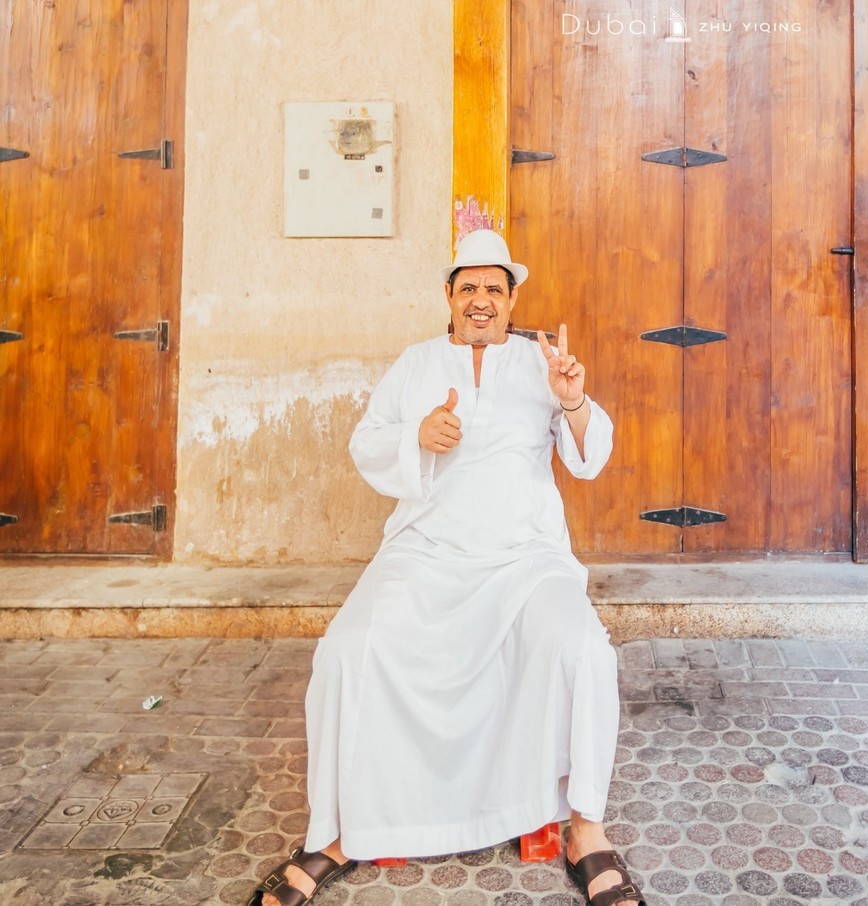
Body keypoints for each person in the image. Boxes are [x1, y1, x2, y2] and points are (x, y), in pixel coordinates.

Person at [249, 230, 645, 906]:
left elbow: (589, 459)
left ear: (513, 298)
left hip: (526, 558)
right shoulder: (416, 362)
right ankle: (337, 832)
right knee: (348, 650)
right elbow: (368, 444)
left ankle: (586, 829)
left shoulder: (539, 362)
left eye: (495, 288)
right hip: (426, 551)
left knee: (583, 649)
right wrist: (417, 437)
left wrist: (573, 400)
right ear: (449, 297)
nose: (481, 300)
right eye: (469, 288)